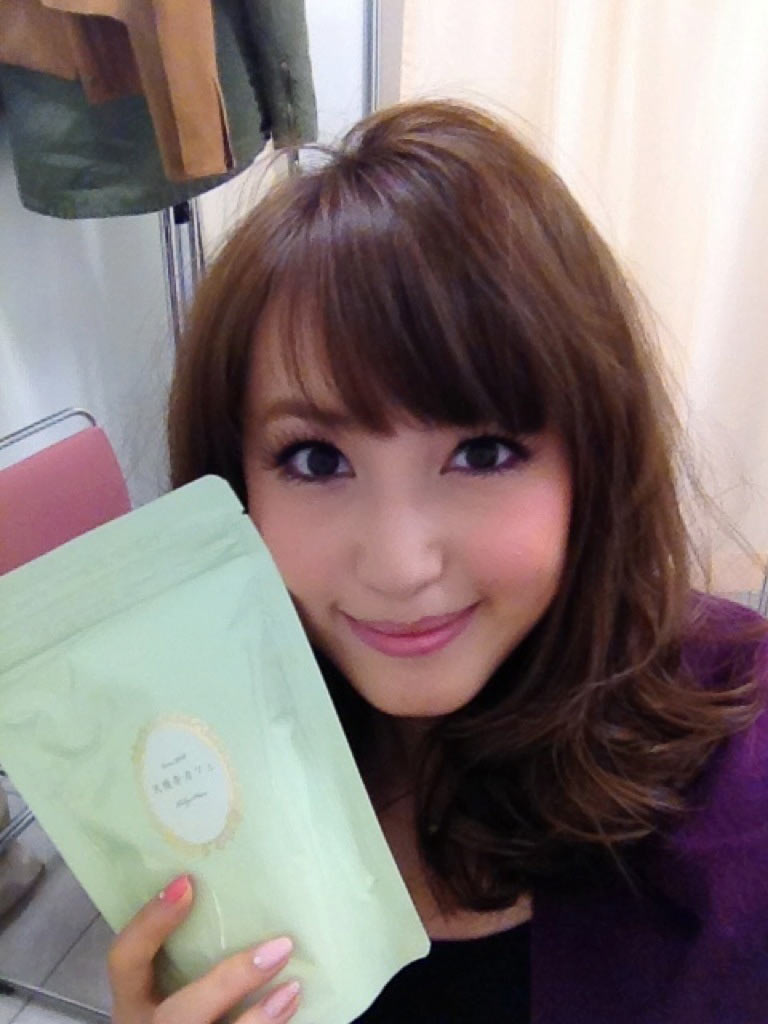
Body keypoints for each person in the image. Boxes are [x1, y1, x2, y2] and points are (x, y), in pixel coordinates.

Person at [107, 100, 768, 1024]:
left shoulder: (738, 774)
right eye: (317, 460)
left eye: (483, 453)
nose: (400, 564)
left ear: (594, 457)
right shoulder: (204, 782)